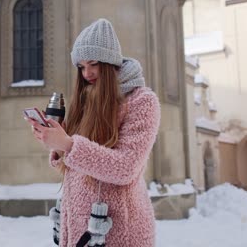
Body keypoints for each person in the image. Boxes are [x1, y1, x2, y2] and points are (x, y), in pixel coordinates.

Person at [24, 18, 161, 247]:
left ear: (109, 62)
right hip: (78, 228)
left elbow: (126, 167)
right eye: (81, 66)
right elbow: (76, 168)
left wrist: (69, 145)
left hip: (117, 232)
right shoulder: (87, 98)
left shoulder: (142, 101)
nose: (87, 73)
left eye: (93, 63)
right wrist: (57, 144)